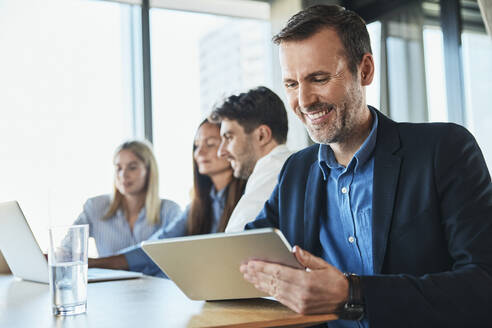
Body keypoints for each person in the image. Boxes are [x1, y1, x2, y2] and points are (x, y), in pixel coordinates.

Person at [239, 5, 492, 328]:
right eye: (291, 84)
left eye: (318, 78)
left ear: (366, 70)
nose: (303, 100)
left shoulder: (444, 150)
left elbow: (484, 284)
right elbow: (246, 253)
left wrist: (353, 292)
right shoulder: (296, 172)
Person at [89, 120, 246, 275]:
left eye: (210, 144)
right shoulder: (197, 207)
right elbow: (157, 247)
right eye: (197, 146)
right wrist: (93, 263)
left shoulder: (247, 200)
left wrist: (94, 263)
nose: (199, 153)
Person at [73, 140, 182, 257]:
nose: (123, 175)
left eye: (132, 167)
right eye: (118, 168)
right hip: (108, 276)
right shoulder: (95, 206)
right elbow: (68, 247)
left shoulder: (169, 211)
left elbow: (177, 256)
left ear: (149, 171)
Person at [208, 86, 293, 233]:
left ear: (262, 136)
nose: (221, 152)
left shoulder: (273, 169)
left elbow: (234, 242)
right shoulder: (291, 165)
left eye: (229, 137)